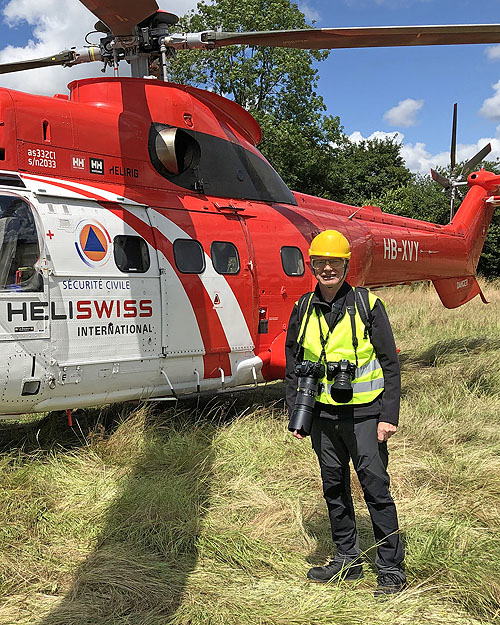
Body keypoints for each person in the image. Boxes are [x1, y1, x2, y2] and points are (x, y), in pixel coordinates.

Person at [285, 229, 406, 596]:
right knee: (333, 488)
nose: (326, 268)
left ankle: (390, 567)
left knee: (375, 488)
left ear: (345, 265)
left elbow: (390, 364)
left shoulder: (368, 305)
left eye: (333, 262)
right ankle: (347, 559)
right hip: (322, 416)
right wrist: (297, 411)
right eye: (319, 262)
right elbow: (293, 362)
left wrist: (389, 416)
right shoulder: (303, 307)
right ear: (312, 265)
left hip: (366, 415)